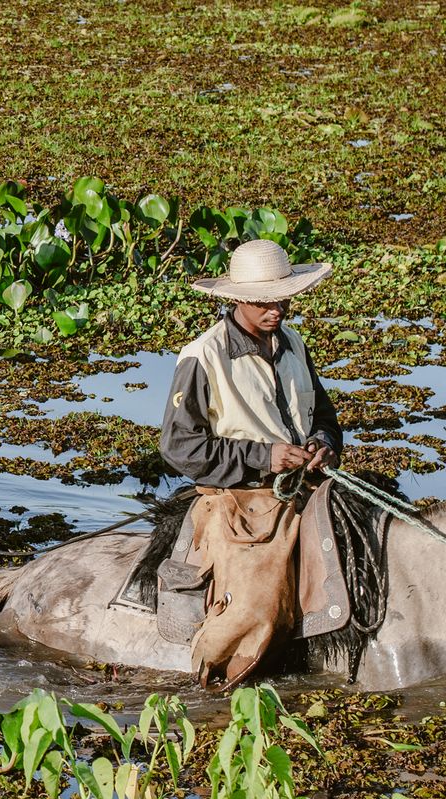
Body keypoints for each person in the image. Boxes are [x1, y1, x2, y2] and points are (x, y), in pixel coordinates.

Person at [156, 238, 342, 688]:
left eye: (281, 299)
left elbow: (324, 415)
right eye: (263, 302)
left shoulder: (294, 344)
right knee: (257, 613)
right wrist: (265, 457)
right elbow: (179, 447)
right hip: (243, 501)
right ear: (237, 299)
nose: (275, 309)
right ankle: (217, 676)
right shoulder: (204, 355)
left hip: (306, 484)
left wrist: (322, 444)